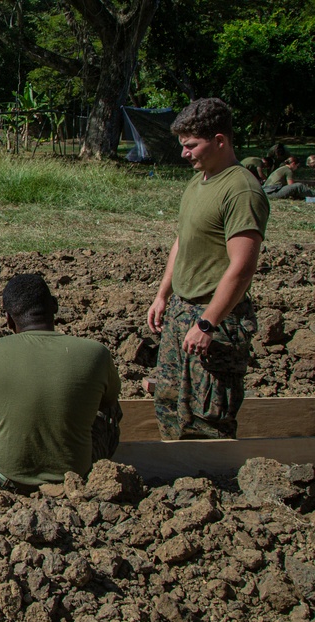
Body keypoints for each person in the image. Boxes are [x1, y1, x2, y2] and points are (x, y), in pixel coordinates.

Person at [0, 274, 122, 492]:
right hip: (75, 476)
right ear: (54, 307)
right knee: (111, 408)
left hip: (1, 477)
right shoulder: (96, 354)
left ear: (8, 318)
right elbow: (108, 403)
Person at [147, 98, 268, 440]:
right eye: (183, 146)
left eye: (191, 146)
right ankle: (175, 483)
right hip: (181, 312)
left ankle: (209, 486)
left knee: (207, 416)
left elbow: (242, 267)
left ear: (220, 140)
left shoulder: (240, 189)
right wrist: (163, 295)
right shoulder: (198, 182)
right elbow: (182, 242)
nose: (185, 154)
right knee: (170, 405)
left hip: (215, 320)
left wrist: (208, 322)